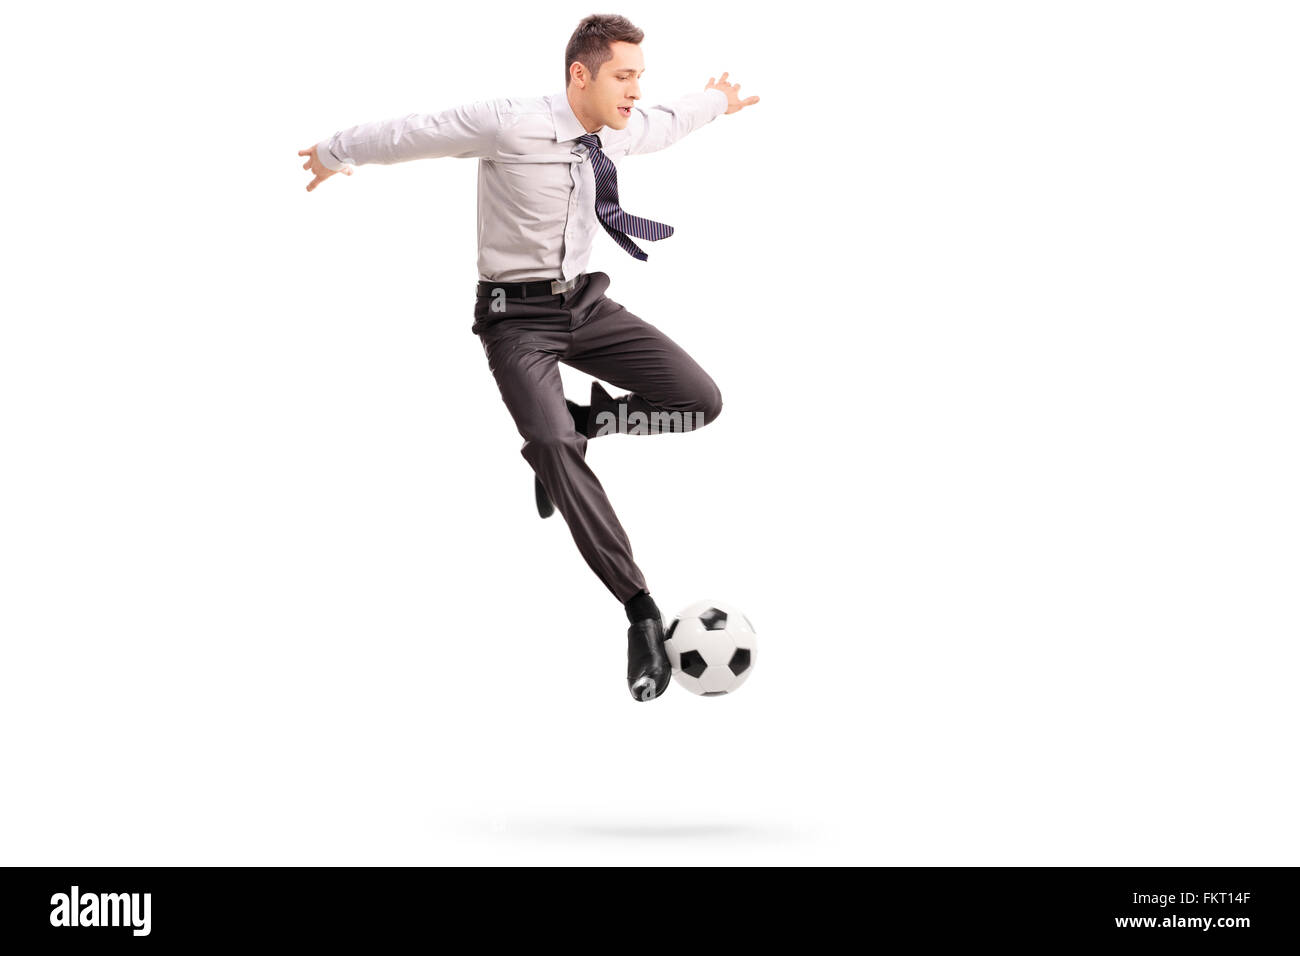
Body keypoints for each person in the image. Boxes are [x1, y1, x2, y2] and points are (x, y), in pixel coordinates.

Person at [298, 13, 759, 701]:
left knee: (700, 402)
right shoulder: (509, 123)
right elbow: (413, 133)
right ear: (582, 75)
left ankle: (589, 425)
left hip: (585, 306)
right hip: (517, 323)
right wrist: (334, 153)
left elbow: (667, 122)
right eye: (623, 76)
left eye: (640, 76)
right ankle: (637, 608)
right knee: (551, 444)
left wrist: (716, 101)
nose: (635, 91)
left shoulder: (618, 128)